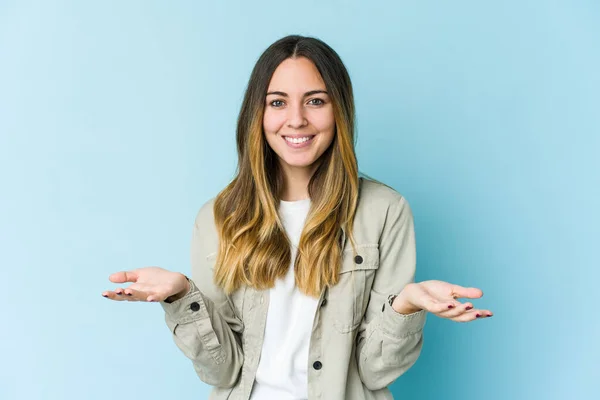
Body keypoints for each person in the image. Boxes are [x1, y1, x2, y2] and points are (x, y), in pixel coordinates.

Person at [102, 34, 493, 400]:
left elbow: (375, 372)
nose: (296, 119)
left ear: (339, 109)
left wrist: (405, 305)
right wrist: (180, 295)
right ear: (258, 114)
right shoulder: (219, 218)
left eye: (315, 100)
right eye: (277, 102)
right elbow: (222, 372)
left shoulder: (384, 210)